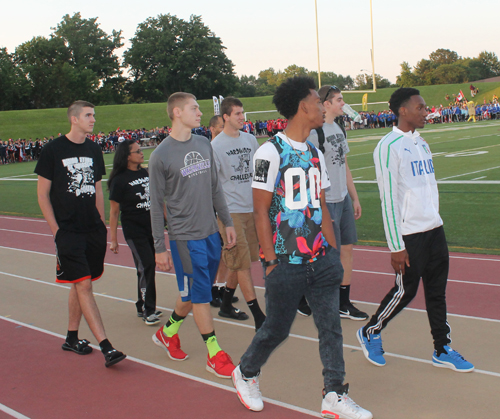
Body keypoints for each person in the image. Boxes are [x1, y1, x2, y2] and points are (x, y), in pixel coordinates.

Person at [232, 76, 372, 419]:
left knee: (330, 327)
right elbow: (260, 210)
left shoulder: (314, 151)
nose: (322, 106)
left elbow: (322, 205)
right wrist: (269, 260)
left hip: (321, 256)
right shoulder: (269, 152)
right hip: (286, 260)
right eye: (316, 98)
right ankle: (246, 372)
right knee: (277, 329)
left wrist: (333, 252)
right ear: (302, 106)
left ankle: (334, 394)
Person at [356, 88, 474, 373]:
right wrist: (396, 246)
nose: (425, 111)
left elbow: (428, 187)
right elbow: (388, 200)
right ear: (403, 111)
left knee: (437, 292)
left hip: (434, 228)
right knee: (404, 292)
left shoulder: (421, 142)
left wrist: (435, 218)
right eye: (420, 107)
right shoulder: (388, 147)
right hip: (409, 234)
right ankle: (371, 330)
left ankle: (442, 347)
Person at [149, 92, 237, 379]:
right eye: (194, 108)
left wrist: (227, 222)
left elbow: (215, 188)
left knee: (193, 292)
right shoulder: (160, 155)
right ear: (176, 112)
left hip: (211, 232)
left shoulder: (203, 143)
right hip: (184, 237)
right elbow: (155, 204)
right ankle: (214, 353)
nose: (200, 112)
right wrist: (159, 247)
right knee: (199, 295)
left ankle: (168, 331)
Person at [34, 100, 126, 368]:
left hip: (91, 229)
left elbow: (97, 188)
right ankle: (107, 347)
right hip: (68, 230)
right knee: (84, 284)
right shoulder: (53, 149)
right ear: (74, 119)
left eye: (94, 115)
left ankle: (71, 337)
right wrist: (56, 231)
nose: (93, 119)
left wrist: (101, 223)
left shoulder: (94, 149)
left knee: (81, 281)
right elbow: (42, 194)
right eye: (88, 115)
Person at [307, 85, 369, 321]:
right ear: (326, 104)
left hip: (342, 198)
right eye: (339, 100)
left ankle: (344, 302)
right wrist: (320, 205)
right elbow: (311, 173)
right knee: (325, 254)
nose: (343, 104)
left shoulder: (339, 129)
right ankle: (314, 297)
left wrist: (354, 197)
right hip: (326, 200)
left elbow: (344, 166)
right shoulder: (315, 133)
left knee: (347, 250)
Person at [211, 97, 266, 330]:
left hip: (251, 208)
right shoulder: (215, 146)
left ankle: (225, 304)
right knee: (242, 262)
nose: (242, 117)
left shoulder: (251, 139)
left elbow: (260, 170)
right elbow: (212, 184)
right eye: (237, 114)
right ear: (225, 117)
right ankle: (258, 315)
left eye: (243, 113)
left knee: (241, 260)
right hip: (230, 212)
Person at [108, 140, 162, 326]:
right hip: (134, 229)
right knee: (146, 265)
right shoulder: (119, 179)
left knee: (145, 267)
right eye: (137, 151)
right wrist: (113, 239)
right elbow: (114, 212)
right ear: (127, 156)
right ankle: (149, 309)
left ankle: (141, 304)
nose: (141, 153)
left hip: (150, 228)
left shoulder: (144, 172)